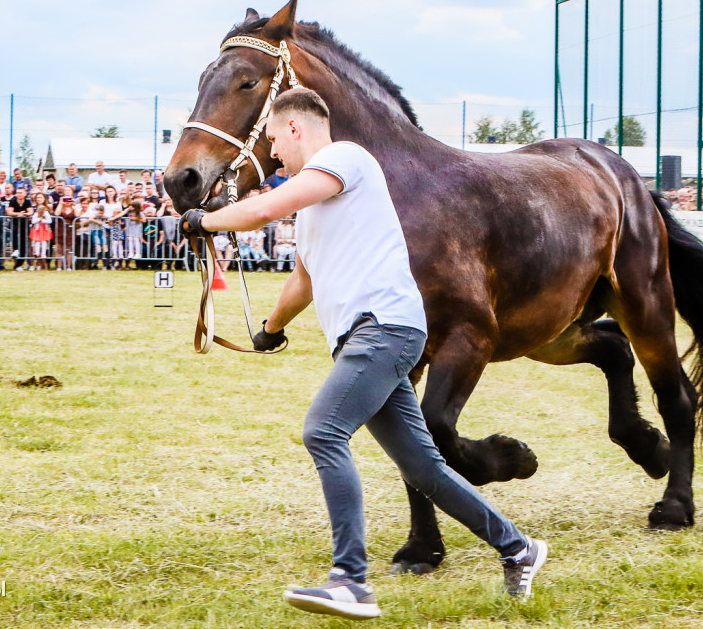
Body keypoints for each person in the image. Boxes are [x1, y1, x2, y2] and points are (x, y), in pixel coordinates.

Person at [179, 87, 546, 620]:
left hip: (384, 329)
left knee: (323, 431)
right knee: (424, 468)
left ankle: (350, 579)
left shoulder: (344, 159)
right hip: (369, 337)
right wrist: (271, 328)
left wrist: (203, 221)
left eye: (276, 139)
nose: (274, 152)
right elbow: (303, 279)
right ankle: (519, 547)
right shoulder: (313, 205)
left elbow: (259, 212)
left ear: (296, 128)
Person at [6, 187, 34, 270]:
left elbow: (31, 212)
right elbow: (9, 212)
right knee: (15, 243)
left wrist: (24, 214)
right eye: (18, 192)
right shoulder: (13, 201)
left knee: (24, 245)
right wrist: (18, 214)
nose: (19, 194)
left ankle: (19, 265)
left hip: (24, 225)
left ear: (25, 194)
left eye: (21, 192)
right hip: (14, 224)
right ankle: (17, 264)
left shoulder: (27, 202)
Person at [30, 202, 54, 271]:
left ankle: (43, 253)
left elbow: (49, 221)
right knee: (37, 242)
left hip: (44, 230)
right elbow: (33, 221)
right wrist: (39, 219)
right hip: (37, 230)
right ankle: (37, 253)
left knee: (44, 242)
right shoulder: (36, 214)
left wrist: (43, 220)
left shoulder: (46, 214)